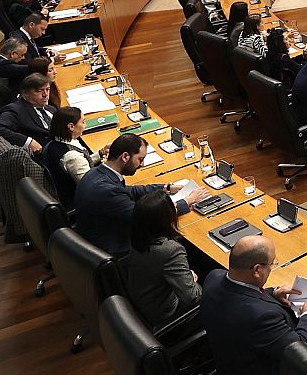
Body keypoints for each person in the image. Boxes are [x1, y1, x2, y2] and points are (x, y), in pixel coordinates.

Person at [201, 235, 307, 375]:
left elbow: (242, 293)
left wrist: (271, 293)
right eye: (272, 264)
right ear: (257, 270)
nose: (273, 268)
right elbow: (299, 349)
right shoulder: (261, 317)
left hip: (229, 368)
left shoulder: (214, 277)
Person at [73, 134, 201, 258]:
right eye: (140, 159)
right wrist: (185, 202)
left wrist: (165, 188)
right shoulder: (108, 190)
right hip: (116, 251)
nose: (142, 164)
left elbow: (129, 191)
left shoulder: (96, 172)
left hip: (93, 239)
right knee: (174, 244)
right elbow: (148, 218)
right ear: (125, 157)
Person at [123, 189, 203, 329]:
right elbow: (192, 298)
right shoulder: (170, 250)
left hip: (144, 306)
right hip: (168, 317)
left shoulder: (136, 239)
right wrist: (192, 279)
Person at [40, 105, 96, 205]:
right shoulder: (72, 156)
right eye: (83, 122)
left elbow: (80, 163)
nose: (85, 125)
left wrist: (100, 154)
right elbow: (92, 187)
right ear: (71, 126)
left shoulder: (53, 143)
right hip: (79, 201)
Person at [0, 73, 57, 152]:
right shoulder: (15, 110)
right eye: (39, 91)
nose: (45, 95)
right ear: (25, 93)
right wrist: (28, 141)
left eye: (47, 89)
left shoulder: (51, 109)